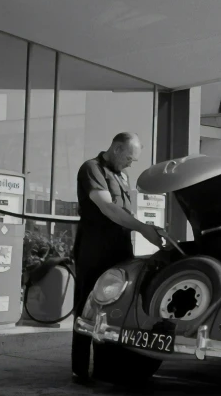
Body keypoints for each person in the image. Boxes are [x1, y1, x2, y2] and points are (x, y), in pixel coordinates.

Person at [71, 132, 167, 379]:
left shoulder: (122, 176)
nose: (130, 164)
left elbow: (125, 213)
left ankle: (106, 369)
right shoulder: (92, 169)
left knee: (115, 306)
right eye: (129, 157)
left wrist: (149, 227)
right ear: (115, 149)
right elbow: (108, 207)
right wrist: (143, 228)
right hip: (94, 251)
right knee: (87, 307)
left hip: (120, 250)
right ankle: (80, 371)